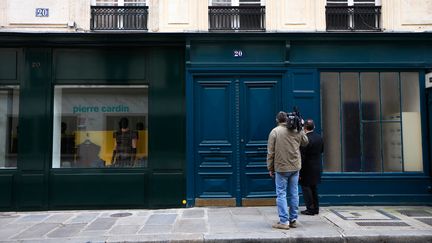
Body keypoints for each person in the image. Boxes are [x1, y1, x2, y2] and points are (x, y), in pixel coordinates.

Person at [267, 111, 308, 230]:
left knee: (281, 193)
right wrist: (301, 128)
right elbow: (305, 142)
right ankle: (293, 219)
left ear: (277, 120)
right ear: (286, 119)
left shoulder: (275, 132)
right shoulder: (296, 129)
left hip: (281, 167)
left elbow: (271, 152)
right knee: (294, 192)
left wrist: (270, 167)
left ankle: (284, 221)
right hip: (295, 166)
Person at [300, 119, 324, 215]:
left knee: (306, 187)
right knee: (314, 188)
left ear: (305, 128)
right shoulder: (320, 138)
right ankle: (316, 208)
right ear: (314, 127)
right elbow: (322, 150)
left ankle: (310, 208)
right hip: (317, 166)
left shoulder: (305, 139)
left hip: (307, 167)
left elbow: (302, 155)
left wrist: (300, 170)